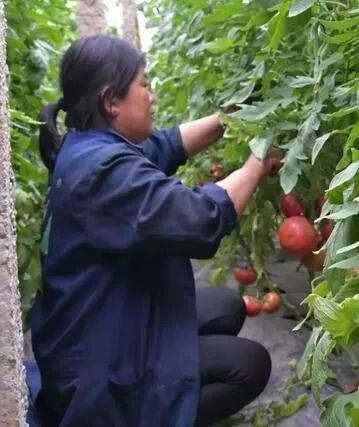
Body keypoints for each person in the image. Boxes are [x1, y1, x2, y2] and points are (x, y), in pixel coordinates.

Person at [31, 35, 281, 427]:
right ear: (111, 101)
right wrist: (256, 164)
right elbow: (199, 219)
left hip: (102, 322)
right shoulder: (103, 174)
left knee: (227, 306)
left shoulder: (88, 148)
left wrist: (229, 116)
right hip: (99, 367)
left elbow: (165, 146)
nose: (151, 95)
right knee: (249, 364)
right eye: (144, 85)